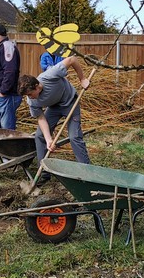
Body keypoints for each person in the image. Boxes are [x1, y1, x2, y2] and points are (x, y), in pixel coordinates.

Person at [18, 55, 91, 186]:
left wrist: (82, 79)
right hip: (54, 107)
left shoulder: (50, 75)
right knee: (40, 136)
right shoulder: (32, 101)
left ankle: (88, 172)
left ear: (37, 86)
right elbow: (41, 118)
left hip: (70, 102)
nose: (29, 97)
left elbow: (72, 59)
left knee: (74, 137)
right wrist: (48, 140)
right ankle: (43, 173)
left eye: (30, 94)